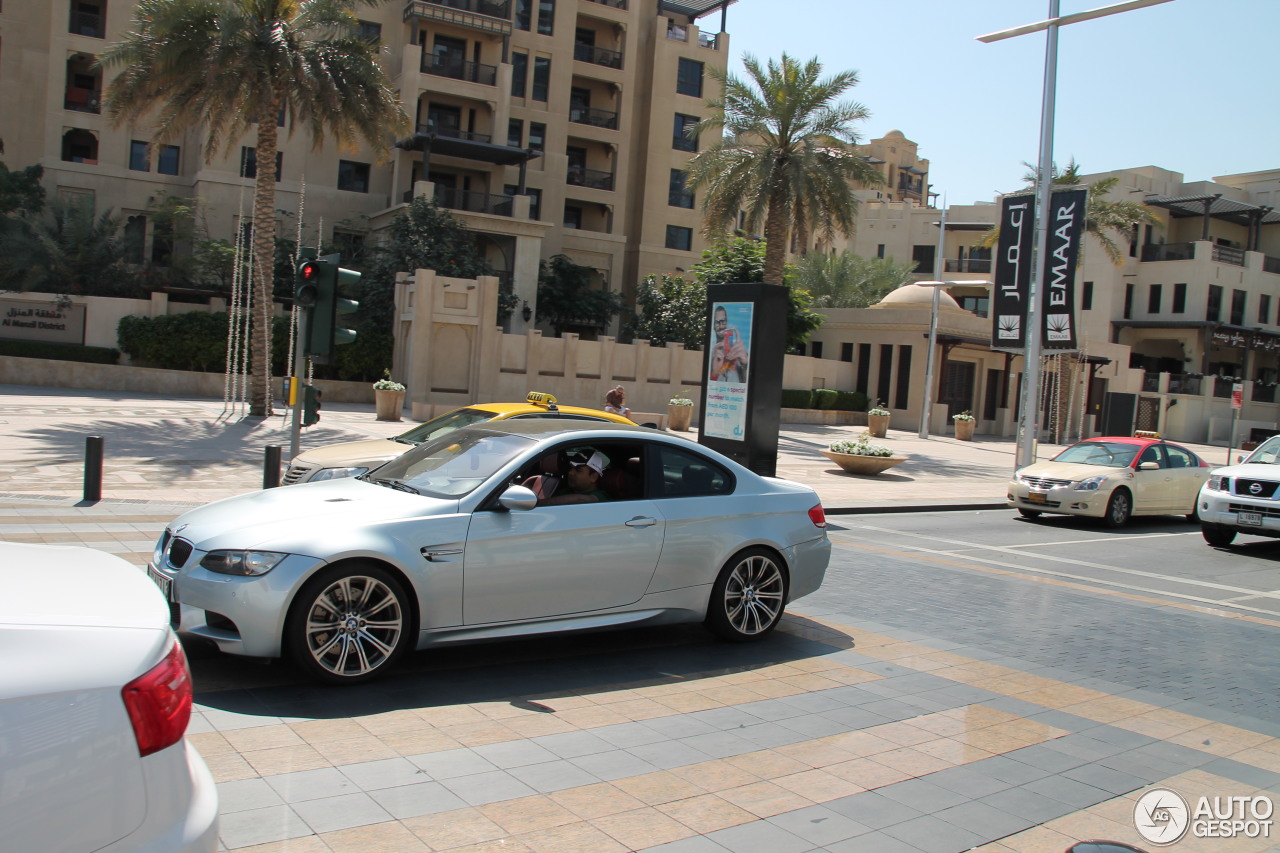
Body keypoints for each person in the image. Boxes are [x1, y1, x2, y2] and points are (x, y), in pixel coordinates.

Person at [539, 449, 610, 505]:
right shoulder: (565, 490)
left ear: (593, 477)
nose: (570, 472)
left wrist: (538, 504)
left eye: (578, 470)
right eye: (571, 468)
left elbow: (581, 500)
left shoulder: (600, 496)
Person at [709, 305, 748, 383]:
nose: (720, 326)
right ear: (713, 325)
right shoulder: (710, 352)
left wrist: (745, 363)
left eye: (723, 321)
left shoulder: (738, 348)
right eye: (717, 322)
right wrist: (714, 372)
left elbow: (747, 380)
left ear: (726, 322)